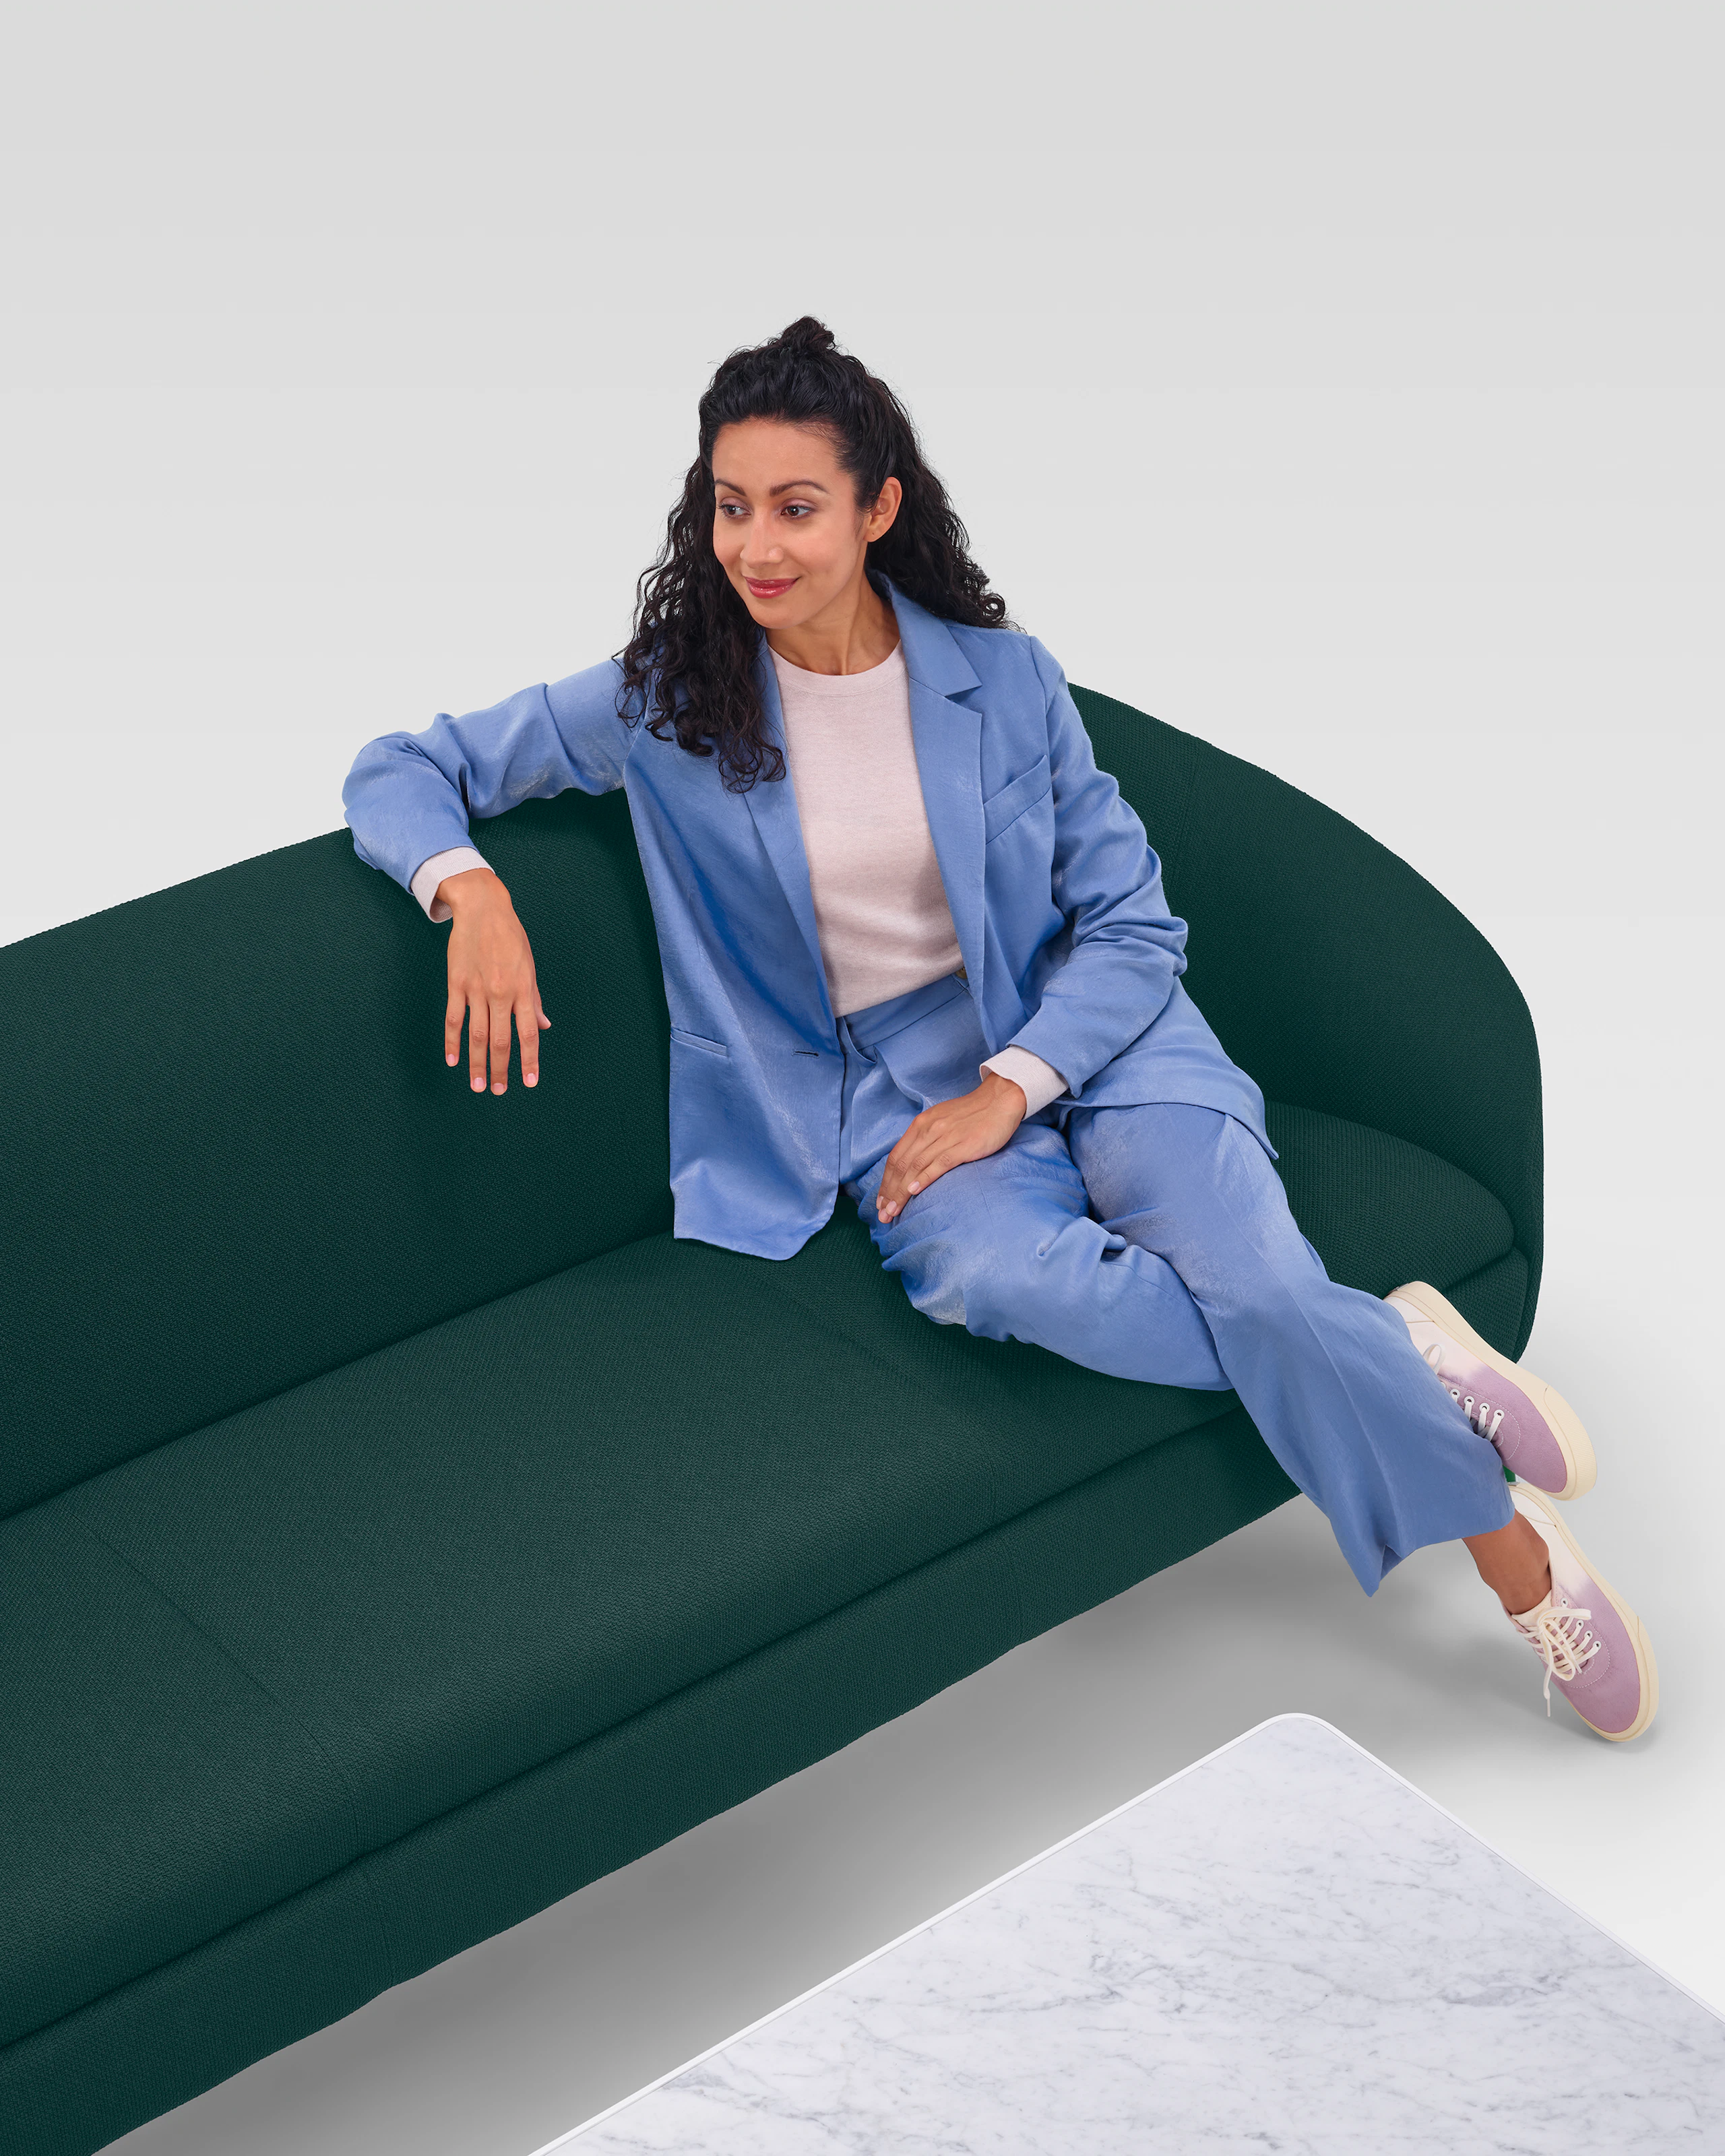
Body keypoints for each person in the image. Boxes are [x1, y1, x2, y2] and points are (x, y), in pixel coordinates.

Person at [343, 316, 1656, 1742]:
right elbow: (405, 764)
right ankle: (1398, 1356)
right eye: (730, 506)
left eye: (796, 507)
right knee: (1015, 1284)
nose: (755, 547)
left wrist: (1014, 1085)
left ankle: (1513, 1565)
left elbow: (1133, 925)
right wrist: (469, 889)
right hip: (880, 1094)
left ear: (876, 508)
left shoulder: (1003, 679)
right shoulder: (666, 699)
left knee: (1261, 1284)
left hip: (1104, 1035)